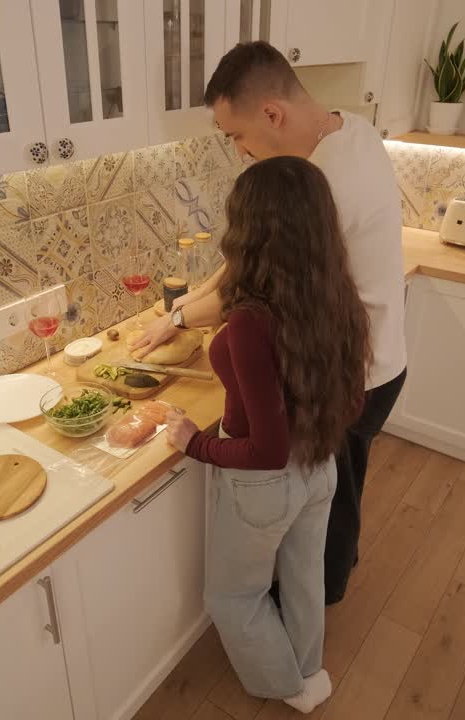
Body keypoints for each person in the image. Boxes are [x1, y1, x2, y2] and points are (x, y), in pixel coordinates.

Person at [134, 41, 407, 604]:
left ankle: (317, 602)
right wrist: (177, 315)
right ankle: (318, 587)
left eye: (235, 135)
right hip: (370, 356)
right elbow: (241, 264)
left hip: (357, 374)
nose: (238, 150)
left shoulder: (328, 187)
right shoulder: (350, 131)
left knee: (332, 506)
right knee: (334, 491)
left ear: (272, 115)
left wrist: (180, 317)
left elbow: (247, 286)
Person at [164, 156, 370, 713]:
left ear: (249, 229)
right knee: (303, 579)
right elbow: (350, 400)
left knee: (231, 596)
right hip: (319, 468)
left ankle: (285, 686)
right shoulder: (335, 293)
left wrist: (192, 441)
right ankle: (309, 671)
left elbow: (264, 448)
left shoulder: (253, 320)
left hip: (263, 484)